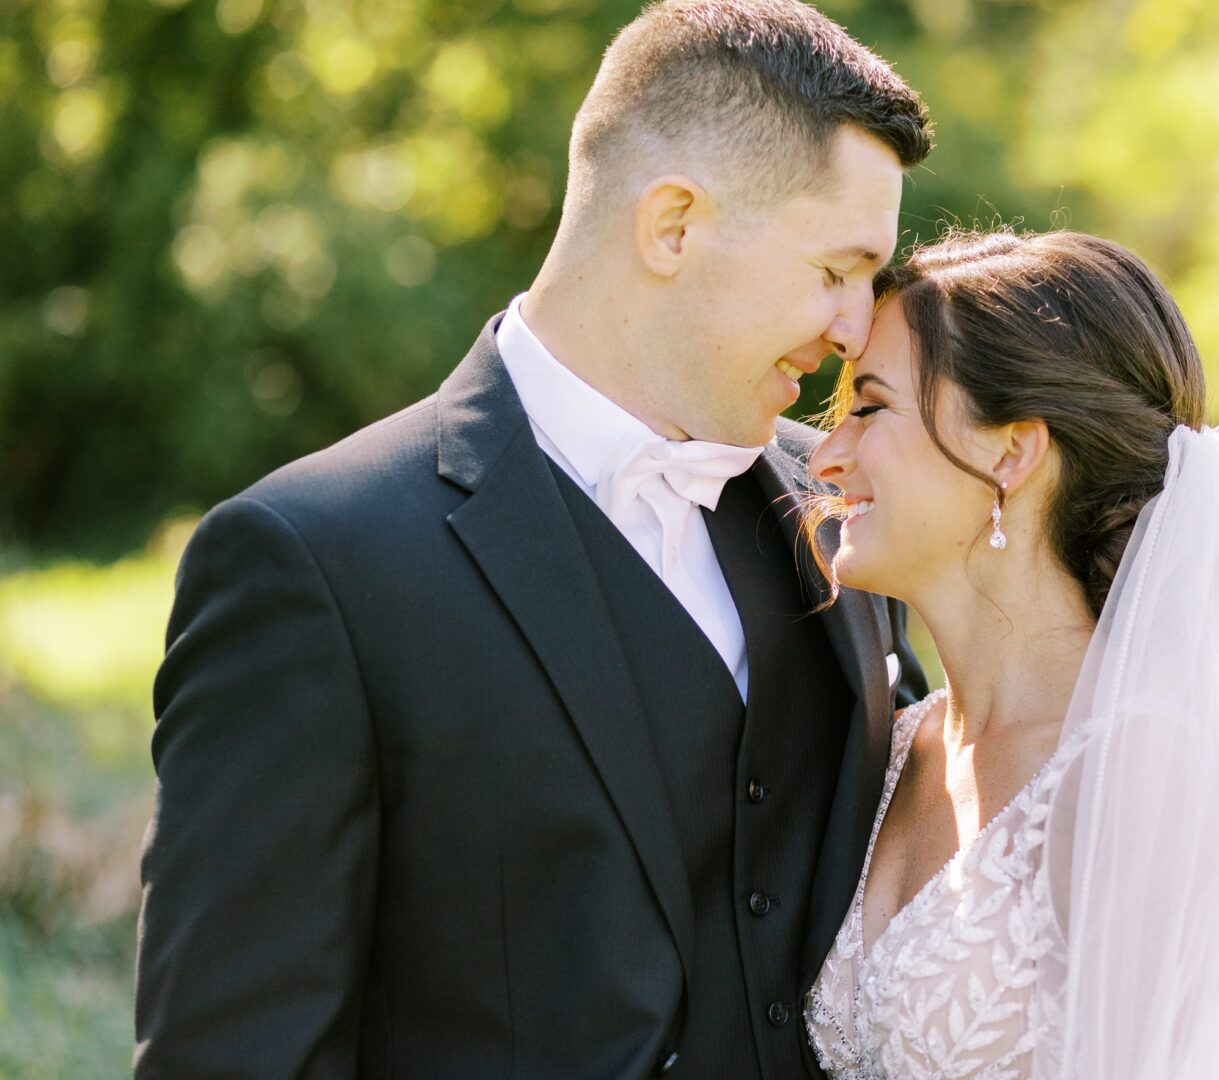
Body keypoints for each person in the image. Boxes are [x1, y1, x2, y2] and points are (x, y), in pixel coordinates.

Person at [134, 2, 932, 1076]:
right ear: (674, 225)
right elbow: (237, 1051)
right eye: (836, 269)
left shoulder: (844, 498)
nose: (856, 328)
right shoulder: (315, 565)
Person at [804, 229, 1219, 1078]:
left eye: (869, 407)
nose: (824, 455)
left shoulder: (1139, 770)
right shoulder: (895, 745)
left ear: (1011, 450)